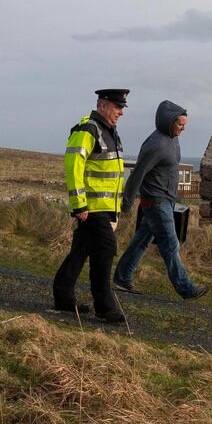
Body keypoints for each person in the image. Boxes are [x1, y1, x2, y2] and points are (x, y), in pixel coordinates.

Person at [113, 100, 208, 301]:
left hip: (166, 199)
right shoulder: (155, 144)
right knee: (170, 244)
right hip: (156, 202)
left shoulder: (173, 140)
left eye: (185, 125)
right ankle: (186, 288)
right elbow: (137, 174)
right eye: (180, 124)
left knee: (141, 241)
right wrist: (127, 202)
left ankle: (122, 277)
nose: (183, 129)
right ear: (169, 121)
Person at [52, 88, 129, 323]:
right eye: (117, 107)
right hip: (90, 207)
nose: (121, 112)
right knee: (105, 250)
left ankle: (63, 295)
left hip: (102, 208)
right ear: (103, 105)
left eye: (122, 108)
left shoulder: (110, 132)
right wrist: (79, 205)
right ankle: (104, 306)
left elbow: (111, 177)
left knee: (81, 249)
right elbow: (73, 165)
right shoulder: (88, 129)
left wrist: (114, 212)